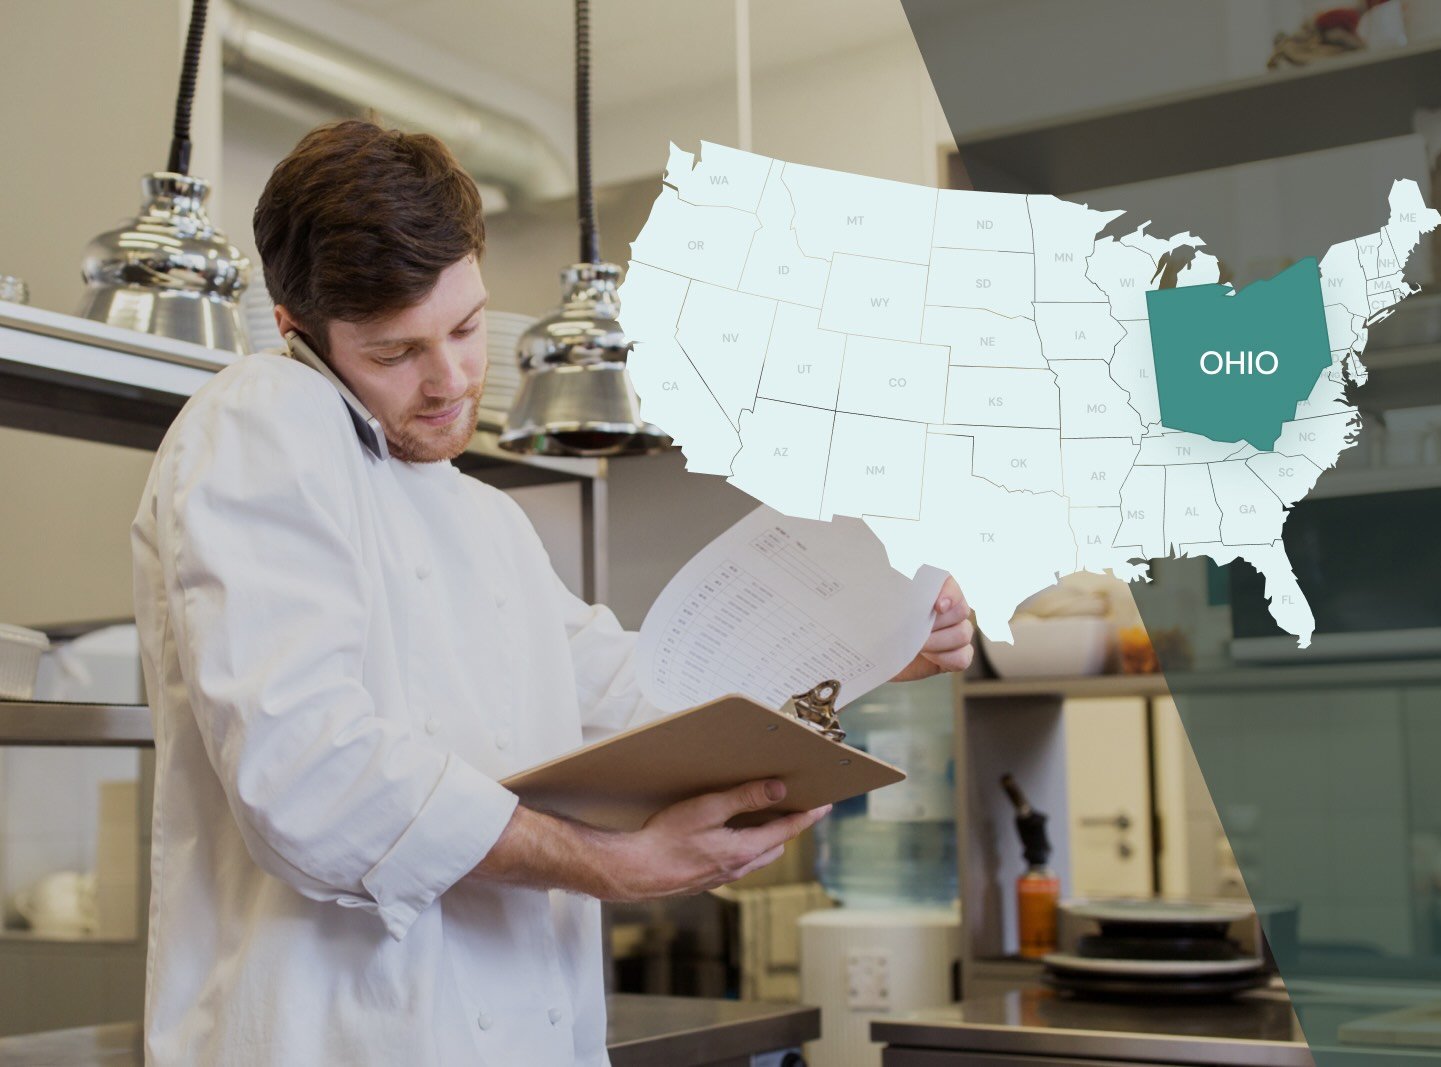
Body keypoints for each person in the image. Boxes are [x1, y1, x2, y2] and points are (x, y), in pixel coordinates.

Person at [129, 120, 974, 1066]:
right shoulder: (261, 418)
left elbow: (626, 691)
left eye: (465, 326)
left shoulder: (485, 520)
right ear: (297, 332)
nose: (451, 380)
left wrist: (859, 646)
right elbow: (314, 775)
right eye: (396, 353)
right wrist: (614, 867)